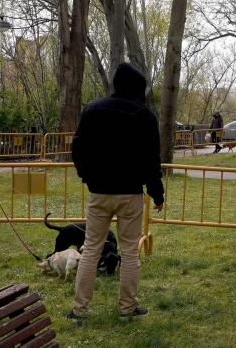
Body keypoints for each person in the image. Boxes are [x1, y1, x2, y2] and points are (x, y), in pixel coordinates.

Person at [66, 62, 164, 322]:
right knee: (131, 252)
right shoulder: (144, 115)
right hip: (130, 194)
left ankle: (79, 311)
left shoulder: (91, 109)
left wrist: (86, 177)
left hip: (99, 192)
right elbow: (152, 161)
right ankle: (127, 309)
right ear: (137, 87)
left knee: (90, 250)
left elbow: (77, 149)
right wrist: (157, 194)